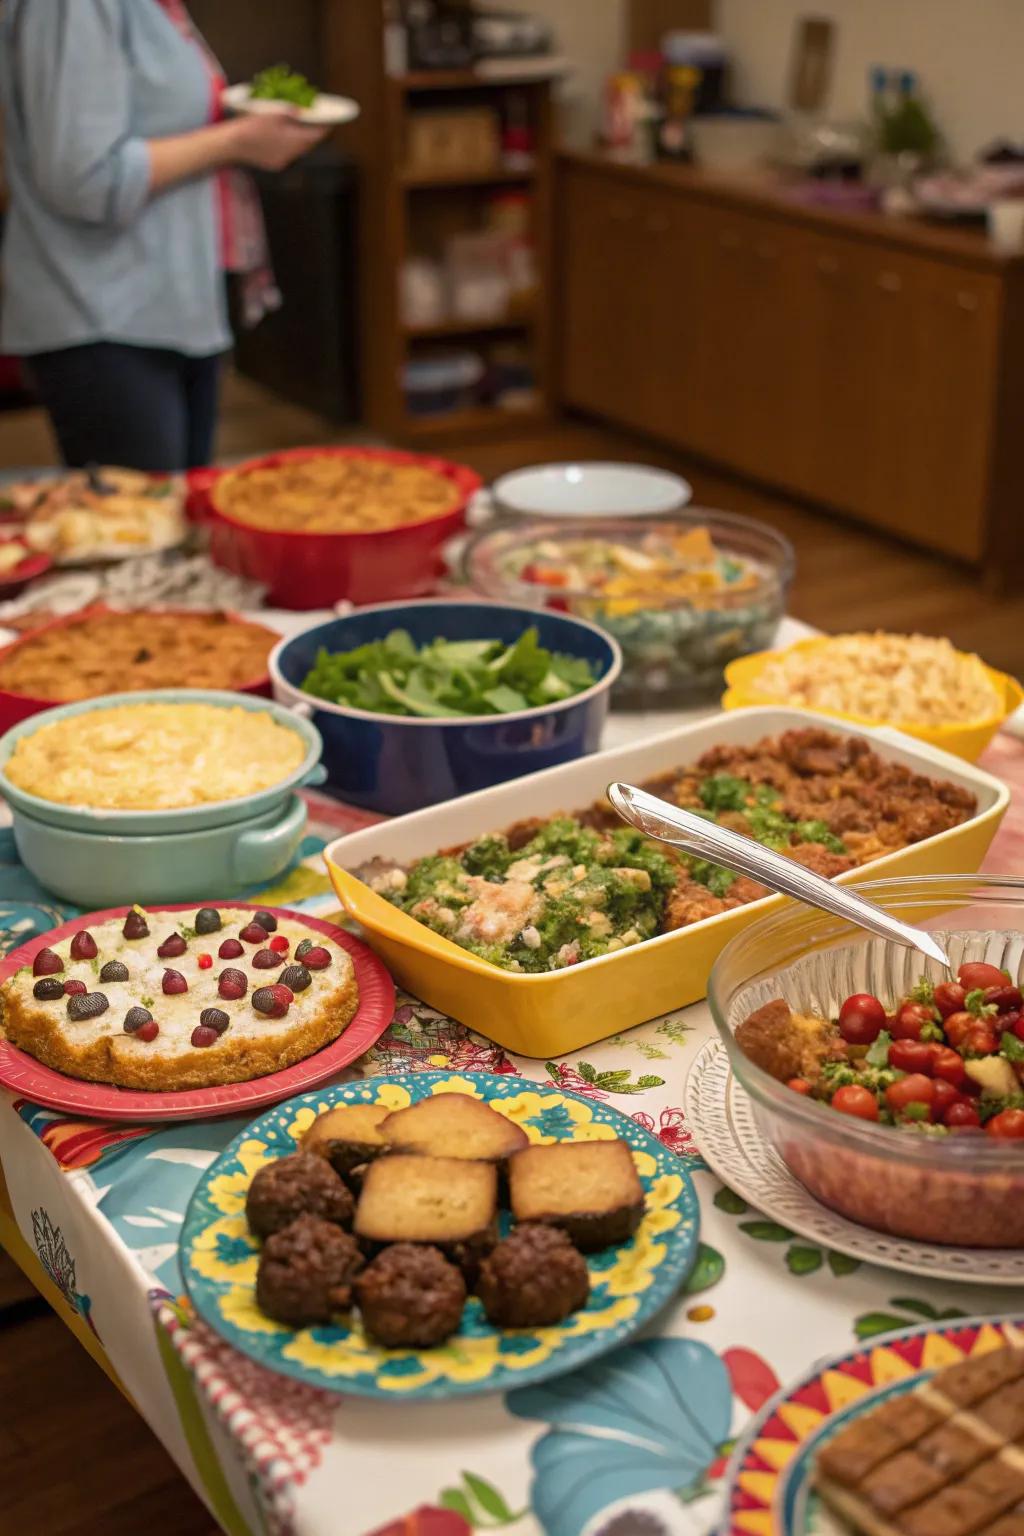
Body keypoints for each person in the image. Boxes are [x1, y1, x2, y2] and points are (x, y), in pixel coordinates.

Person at [0, 0, 326, 471]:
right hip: (103, 316)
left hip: (169, 309)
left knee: (179, 520)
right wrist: (234, 142)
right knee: (135, 527)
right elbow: (85, 179)